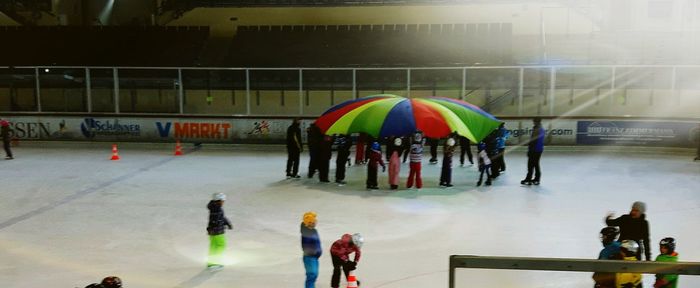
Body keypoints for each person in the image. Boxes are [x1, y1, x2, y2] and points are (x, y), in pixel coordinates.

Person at [207, 192, 233, 269]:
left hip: (213, 232)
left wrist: (228, 223)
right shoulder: (217, 209)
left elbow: (222, 217)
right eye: (222, 201)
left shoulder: (214, 207)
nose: (223, 202)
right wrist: (216, 228)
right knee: (221, 245)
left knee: (213, 246)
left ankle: (211, 263)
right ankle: (216, 262)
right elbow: (215, 220)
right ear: (218, 200)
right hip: (217, 232)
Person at [521, 117, 545, 185]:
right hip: (539, 149)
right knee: (535, 164)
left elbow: (533, 140)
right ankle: (536, 179)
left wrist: (529, 150)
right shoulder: (541, 128)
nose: (533, 122)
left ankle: (529, 179)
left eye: (534, 121)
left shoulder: (536, 129)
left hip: (534, 149)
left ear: (535, 122)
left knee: (531, 164)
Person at [301, 212, 322, 288]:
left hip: (315, 257)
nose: (315, 223)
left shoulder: (314, 231)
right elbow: (305, 246)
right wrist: (314, 252)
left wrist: (318, 252)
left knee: (314, 275)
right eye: (313, 222)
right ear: (308, 223)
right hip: (309, 257)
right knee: (312, 274)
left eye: (315, 221)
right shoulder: (306, 232)